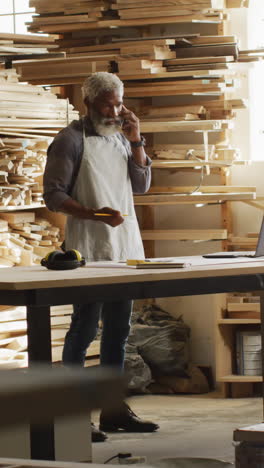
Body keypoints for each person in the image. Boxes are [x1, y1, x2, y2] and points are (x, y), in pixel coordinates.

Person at [43, 72, 159, 442]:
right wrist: (94, 214)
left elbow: (141, 185)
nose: (114, 111)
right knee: (83, 329)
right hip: (89, 248)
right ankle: (73, 415)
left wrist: (137, 139)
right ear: (87, 103)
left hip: (124, 247)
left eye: (118, 103)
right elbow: (54, 195)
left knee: (119, 331)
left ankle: (113, 411)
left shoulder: (123, 138)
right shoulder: (70, 140)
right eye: (107, 104)